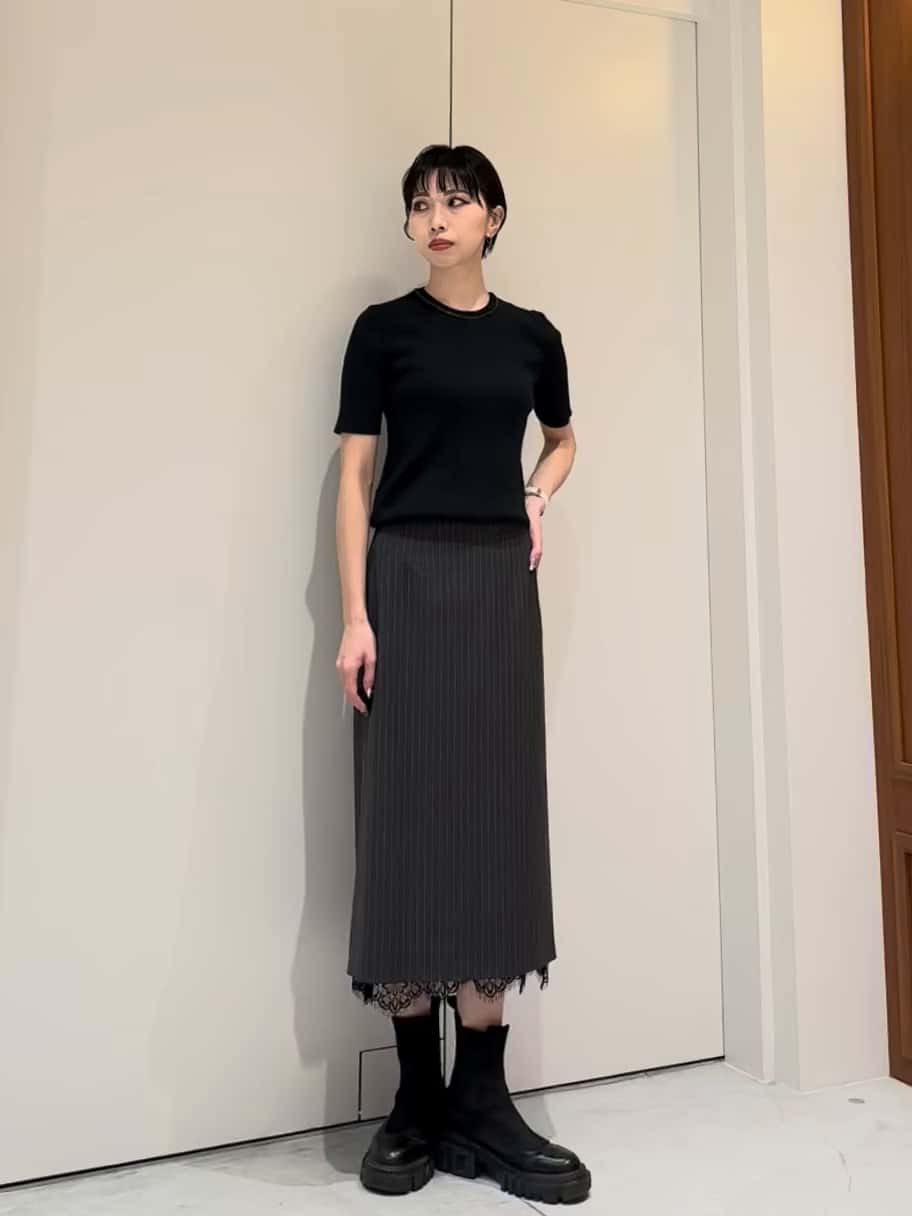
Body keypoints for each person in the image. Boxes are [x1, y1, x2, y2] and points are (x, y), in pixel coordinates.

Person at [332, 144, 590, 1204]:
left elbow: (563, 440)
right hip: (403, 580)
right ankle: (415, 1098)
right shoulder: (381, 332)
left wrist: (536, 492)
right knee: (403, 820)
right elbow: (355, 474)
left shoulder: (534, 338)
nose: (436, 216)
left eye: (456, 199)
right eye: (419, 204)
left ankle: (482, 1098)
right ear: (408, 227)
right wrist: (356, 615)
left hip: (495, 588)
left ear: (493, 216)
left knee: (493, 818)